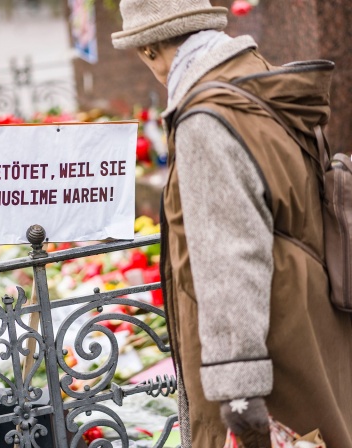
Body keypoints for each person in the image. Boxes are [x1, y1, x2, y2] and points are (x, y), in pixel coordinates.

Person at [111, 1, 352, 447]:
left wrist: (238, 397)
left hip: (269, 357)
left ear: (149, 49)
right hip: (308, 328)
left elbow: (230, 258)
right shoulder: (258, 78)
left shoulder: (206, 119)